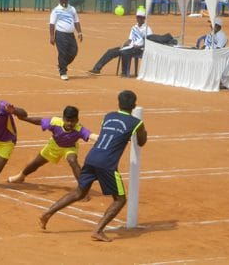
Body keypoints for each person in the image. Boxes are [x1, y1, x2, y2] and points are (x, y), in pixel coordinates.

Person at [38, 90, 148, 242]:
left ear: (119, 103)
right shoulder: (137, 122)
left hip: (92, 157)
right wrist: (142, 132)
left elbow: (109, 134)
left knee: (79, 192)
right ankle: (98, 230)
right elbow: (141, 141)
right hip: (107, 163)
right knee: (120, 199)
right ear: (134, 105)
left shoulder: (108, 117)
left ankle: (47, 213)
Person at [8, 106, 98, 185]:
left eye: (72, 121)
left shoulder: (79, 129)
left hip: (69, 147)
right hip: (54, 145)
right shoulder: (55, 122)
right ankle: (21, 176)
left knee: (73, 160)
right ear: (63, 118)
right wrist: (24, 118)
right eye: (67, 120)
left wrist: (102, 137)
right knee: (36, 163)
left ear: (77, 120)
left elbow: (91, 136)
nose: (70, 124)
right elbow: (39, 121)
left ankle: (82, 188)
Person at [88, 9, 152, 76]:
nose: (139, 18)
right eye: (138, 17)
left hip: (139, 49)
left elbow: (149, 42)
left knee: (124, 52)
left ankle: (124, 72)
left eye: (141, 17)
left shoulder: (147, 29)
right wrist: (124, 45)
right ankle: (96, 69)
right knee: (110, 51)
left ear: (144, 18)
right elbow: (130, 40)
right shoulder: (134, 27)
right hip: (130, 47)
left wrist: (139, 46)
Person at [49, 0, 83, 81]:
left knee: (74, 51)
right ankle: (63, 72)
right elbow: (52, 24)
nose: (64, 2)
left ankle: (61, 65)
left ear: (68, 0)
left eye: (65, 0)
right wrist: (52, 36)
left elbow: (76, 21)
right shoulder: (56, 10)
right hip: (61, 34)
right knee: (63, 53)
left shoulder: (72, 9)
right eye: (62, 0)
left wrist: (79, 32)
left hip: (71, 35)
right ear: (59, 1)